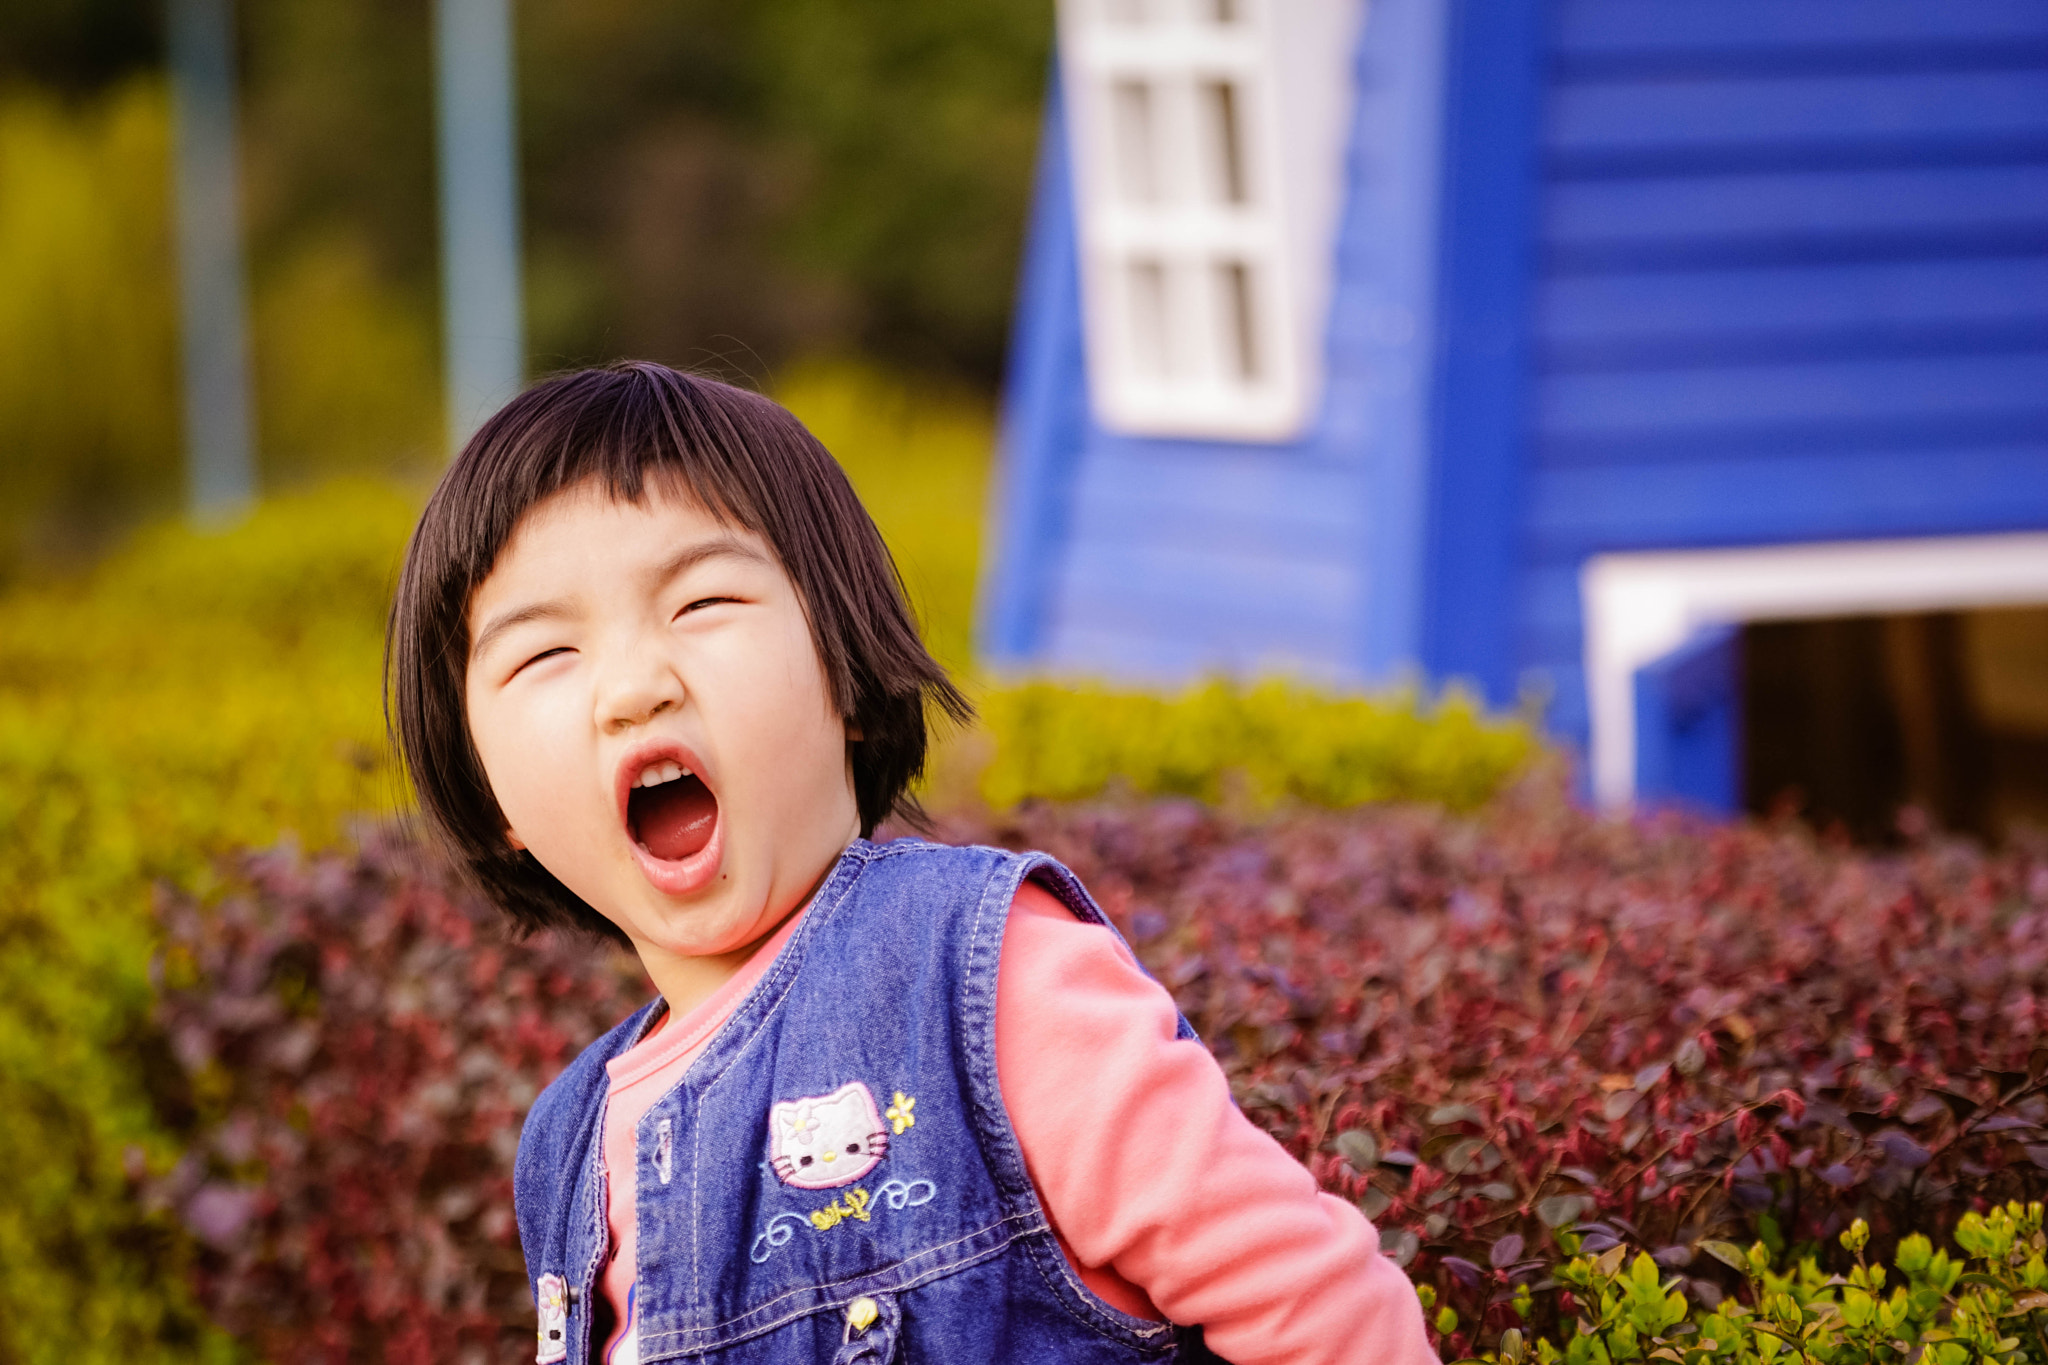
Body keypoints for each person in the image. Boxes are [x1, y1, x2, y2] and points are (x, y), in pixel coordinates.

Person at [386, 362, 1437, 1365]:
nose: (631, 687)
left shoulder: (987, 980)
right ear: (490, 794)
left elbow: (1319, 1308)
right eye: (545, 655)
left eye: (701, 605)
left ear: (843, 671)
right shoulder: (564, 1151)